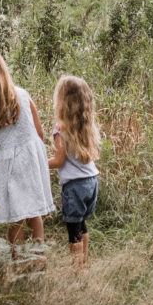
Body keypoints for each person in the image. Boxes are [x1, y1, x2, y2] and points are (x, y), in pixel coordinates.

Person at [0, 49, 54, 259]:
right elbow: (39, 132)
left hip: (8, 163)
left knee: (15, 218)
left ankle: (19, 263)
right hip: (32, 156)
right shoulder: (21, 94)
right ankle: (39, 258)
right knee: (34, 212)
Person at [47, 75, 100, 270]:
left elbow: (59, 160)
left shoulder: (60, 130)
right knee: (82, 225)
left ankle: (77, 270)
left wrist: (38, 163)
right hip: (92, 182)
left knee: (73, 230)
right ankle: (83, 264)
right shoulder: (86, 125)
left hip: (75, 186)